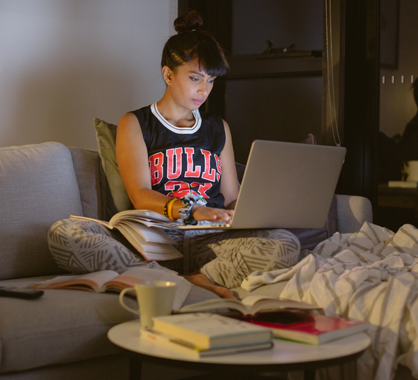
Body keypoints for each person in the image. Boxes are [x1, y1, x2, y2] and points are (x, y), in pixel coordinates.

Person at [48, 11, 300, 299]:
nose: (204, 89)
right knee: (65, 233)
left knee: (285, 243)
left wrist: (255, 208)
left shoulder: (219, 128)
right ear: (168, 74)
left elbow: (231, 196)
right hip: (154, 241)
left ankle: (181, 280)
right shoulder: (136, 123)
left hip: (212, 241)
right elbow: (140, 193)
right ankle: (182, 278)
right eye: (195, 78)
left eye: (211, 80)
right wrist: (194, 210)